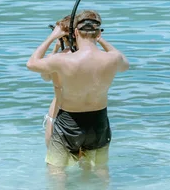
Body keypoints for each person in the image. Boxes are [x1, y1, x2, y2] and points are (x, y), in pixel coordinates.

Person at [27, 10, 129, 175]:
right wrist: (98, 38)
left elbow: (33, 65)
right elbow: (125, 64)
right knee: (99, 169)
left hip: (68, 118)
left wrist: (52, 37)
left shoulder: (61, 60)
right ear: (98, 32)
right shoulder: (112, 58)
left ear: (74, 33)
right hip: (99, 120)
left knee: (56, 170)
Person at [41, 15, 74, 147]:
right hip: (88, 112)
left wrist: (54, 50)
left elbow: (46, 77)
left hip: (59, 110)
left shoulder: (56, 59)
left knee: (54, 162)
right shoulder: (92, 57)